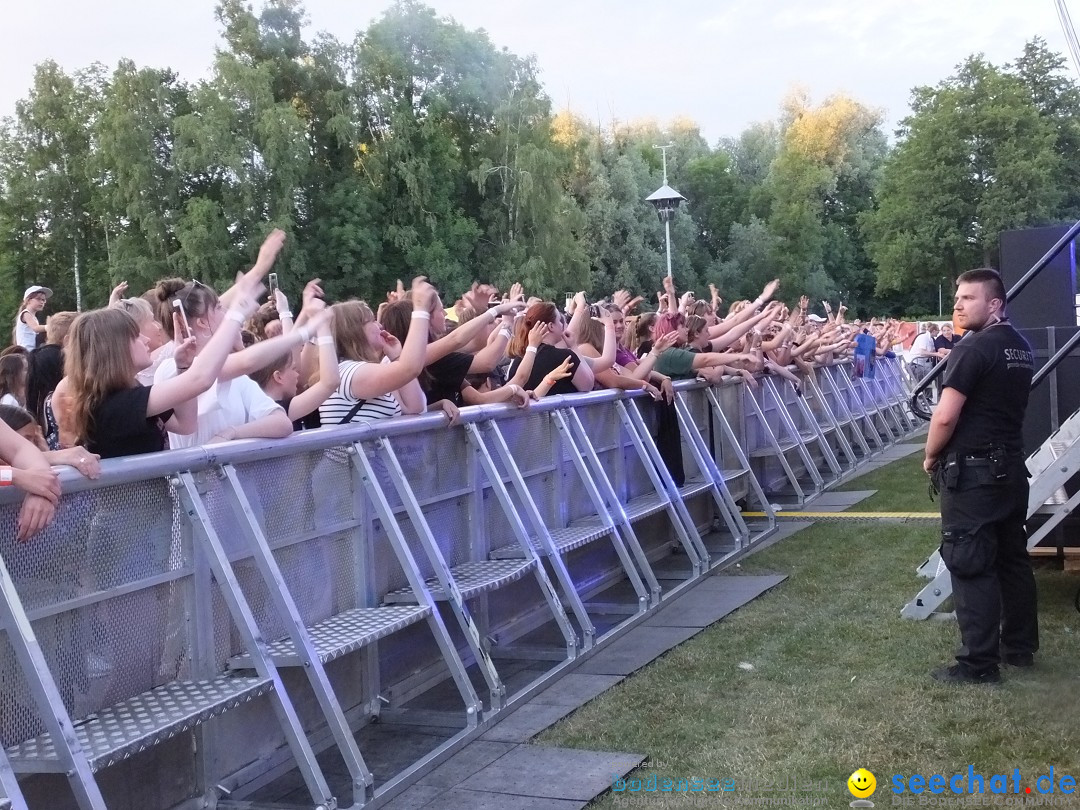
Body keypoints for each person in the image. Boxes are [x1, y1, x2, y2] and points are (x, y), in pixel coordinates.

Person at [923, 267, 1037, 684]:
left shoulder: (973, 349)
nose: (957, 304)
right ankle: (1020, 648)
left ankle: (978, 664)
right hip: (1010, 468)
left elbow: (945, 416)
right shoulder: (1020, 346)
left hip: (973, 474)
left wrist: (930, 456)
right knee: (1012, 560)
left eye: (968, 298)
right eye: (956, 298)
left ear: (995, 304)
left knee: (971, 564)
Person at [12, 285, 51, 351]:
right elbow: (36, 328)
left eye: (43, 300)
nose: (42, 302)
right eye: (38, 299)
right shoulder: (26, 314)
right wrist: (51, 326)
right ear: (28, 300)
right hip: (25, 351)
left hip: (31, 350)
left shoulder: (34, 318)